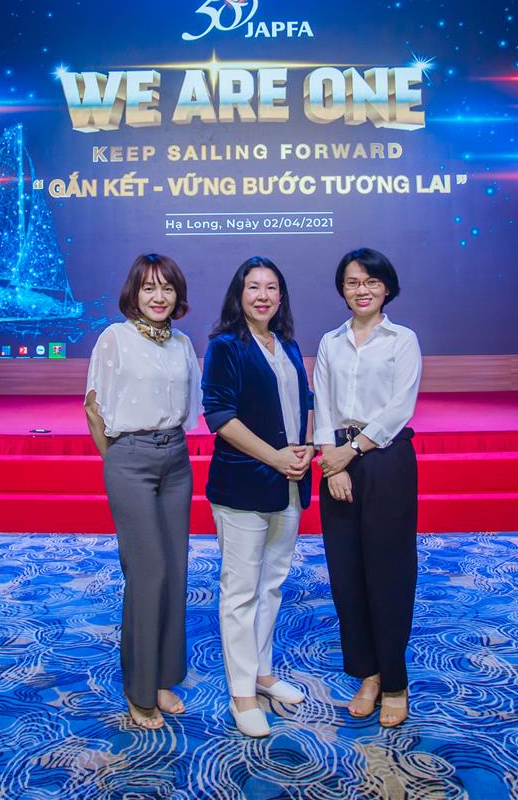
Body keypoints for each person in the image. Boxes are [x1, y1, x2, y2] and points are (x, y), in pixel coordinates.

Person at [83, 253, 202, 730]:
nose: (159, 297)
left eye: (167, 289)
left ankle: (163, 677)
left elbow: (189, 409)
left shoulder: (182, 344)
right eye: (149, 288)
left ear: (177, 296)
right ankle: (138, 688)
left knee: (174, 569)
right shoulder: (114, 338)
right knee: (148, 571)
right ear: (134, 293)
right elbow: (94, 410)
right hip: (129, 458)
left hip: (176, 459)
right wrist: (117, 461)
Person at [201, 255, 315, 738]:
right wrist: (275, 457)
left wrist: (304, 453)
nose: (263, 295)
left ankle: (264, 675)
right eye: (253, 287)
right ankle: (242, 693)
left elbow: (301, 406)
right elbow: (220, 417)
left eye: (271, 287)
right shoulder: (225, 346)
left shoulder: (285, 345)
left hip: (289, 482)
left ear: (281, 296)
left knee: (272, 585)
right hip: (243, 484)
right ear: (239, 295)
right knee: (240, 590)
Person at [312, 247, 422, 728]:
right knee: (347, 574)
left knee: (388, 571)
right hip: (337, 460)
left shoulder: (403, 339)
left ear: (387, 288)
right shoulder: (330, 342)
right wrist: (330, 465)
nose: (362, 290)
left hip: (384, 459)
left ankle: (395, 682)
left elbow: (400, 408)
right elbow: (321, 404)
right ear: (342, 289)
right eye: (353, 282)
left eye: (371, 282)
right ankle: (368, 674)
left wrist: (351, 453)